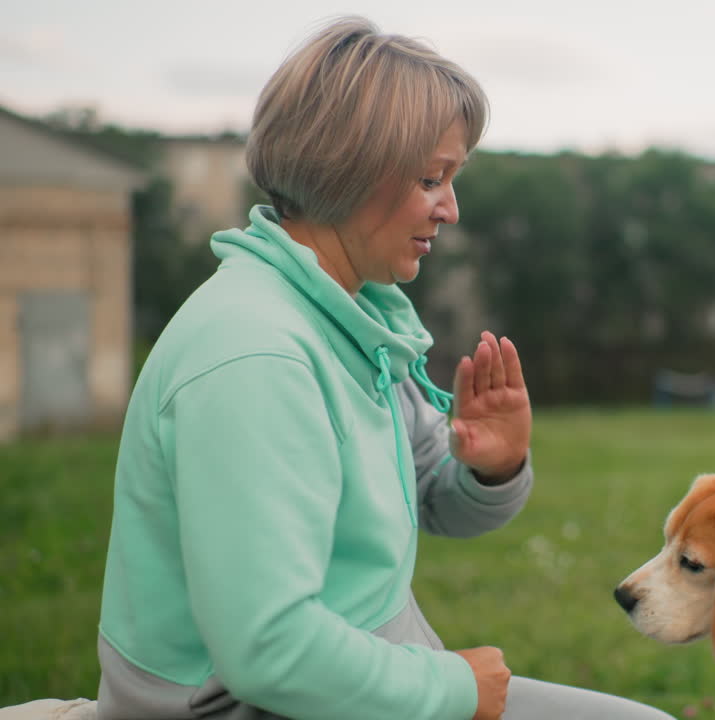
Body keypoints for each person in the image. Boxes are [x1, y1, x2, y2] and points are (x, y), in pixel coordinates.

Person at [96, 16, 674, 720]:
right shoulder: (256, 357)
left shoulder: (350, 315)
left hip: (358, 681)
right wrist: (454, 689)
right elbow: (267, 649)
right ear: (347, 166)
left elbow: (433, 497)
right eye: (431, 178)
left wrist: (491, 467)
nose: (450, 209)